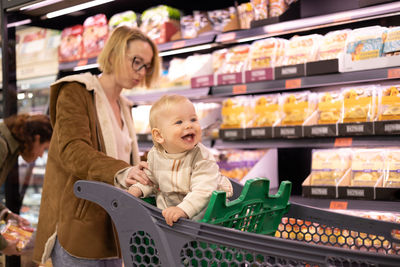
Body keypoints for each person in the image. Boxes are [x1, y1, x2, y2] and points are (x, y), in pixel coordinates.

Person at [32, 26, 160, 266]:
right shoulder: (76, 91)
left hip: (116, 227)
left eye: (147, 66)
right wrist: (122, 171)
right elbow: (73, 150)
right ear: (113, 55)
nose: (141, 72)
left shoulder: (125, 105)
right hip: (80, 228)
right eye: (136, 62)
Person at [128, 95, 233, 226]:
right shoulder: (155, 155)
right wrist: (136, 190)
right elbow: (151, 179)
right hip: (170, 217)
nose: (189, 125)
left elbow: (203, 191)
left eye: (193, 119)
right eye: (179, 122)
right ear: (159, 135)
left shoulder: (202, 157)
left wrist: (182, 209)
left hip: (206, 219)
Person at [0, 113, 52, 256]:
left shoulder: (9, 146)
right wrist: (3, 245)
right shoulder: (2, 146)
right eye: (44, 148)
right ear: (36, 139)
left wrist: (6, 215)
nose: (41, 155)